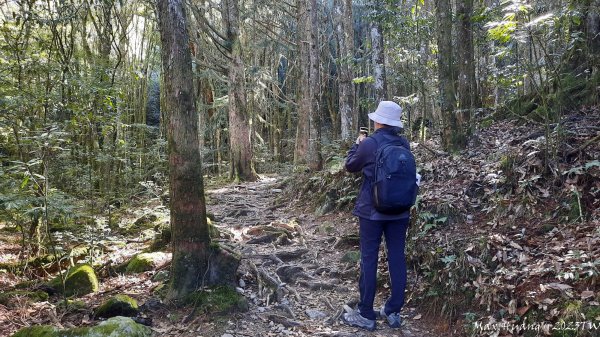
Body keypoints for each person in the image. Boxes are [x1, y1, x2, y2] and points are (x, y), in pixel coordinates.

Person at [342, 100, 415, 331]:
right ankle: (393, 310)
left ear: (378, 121)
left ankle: (366, 313)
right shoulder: (404, 143)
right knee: (396, 258)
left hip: (372, 212)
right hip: (400, 210)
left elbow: (350, 166)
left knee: (369, 259)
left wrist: (357, 145)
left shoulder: (370, 143)